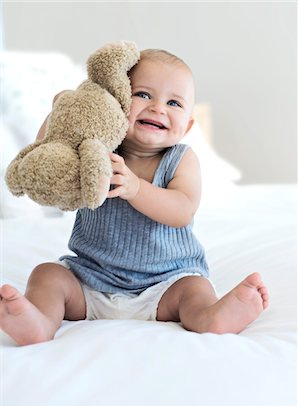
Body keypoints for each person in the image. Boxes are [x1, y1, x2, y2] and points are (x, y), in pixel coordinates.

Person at [0, 49, 269, 346]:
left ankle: (213, 316)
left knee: (196, 289)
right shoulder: (99, 149)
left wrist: (136, 189)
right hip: (91, 279)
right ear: (116, 102)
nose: (157, 108)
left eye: (174, 102)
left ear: (188, 125)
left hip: (165, 284)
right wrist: (62, 116)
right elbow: (51, 156)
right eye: (142, 94)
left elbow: (183, 210)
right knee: (47, 275)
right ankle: (38, 320)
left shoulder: (180, 159)